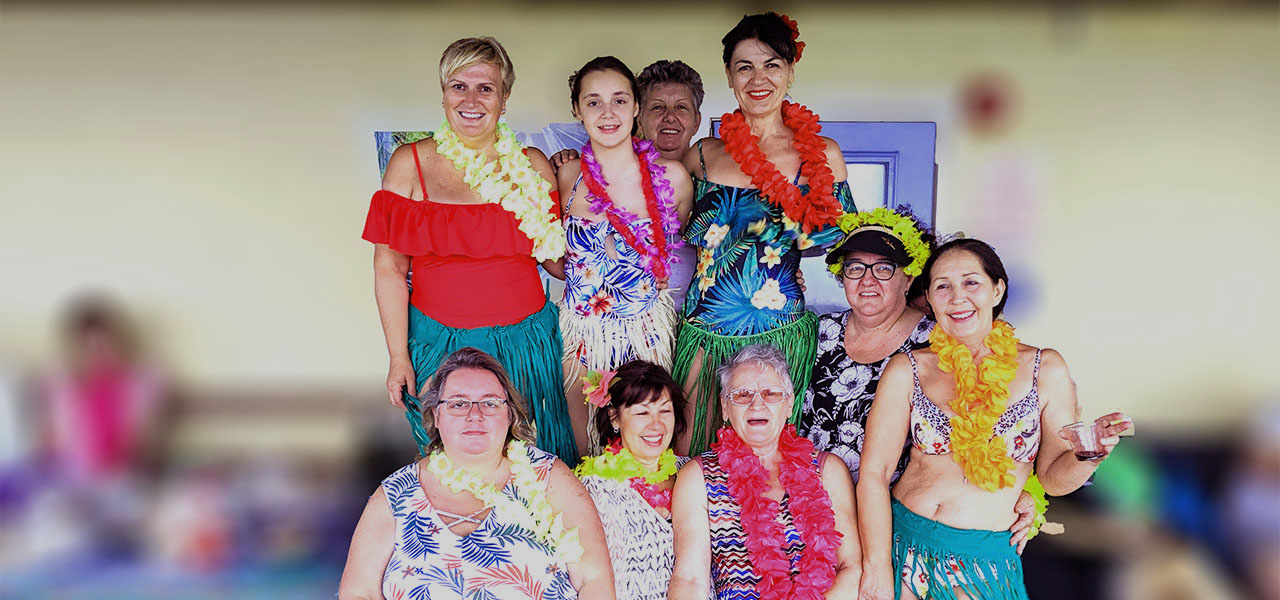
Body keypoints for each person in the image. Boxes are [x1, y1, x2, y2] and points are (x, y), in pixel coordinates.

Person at [856, 238, 1133, 600]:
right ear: (929, 296)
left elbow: (1052, 479)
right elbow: (874, 474)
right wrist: (876, 567)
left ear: (997, 288)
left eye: (971, 282)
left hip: (985, 561)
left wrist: (1089, 454)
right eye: (943, 286)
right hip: (905, 543)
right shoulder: (907, 368)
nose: (957, 298)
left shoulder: (1043, 368)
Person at [361, 37, 578, 462]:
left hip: (527, 344)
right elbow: (388, 269)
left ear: (505, 96)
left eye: (486, 88)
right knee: (458, 467)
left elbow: (556, 261)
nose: (471, 99)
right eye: (459, 86)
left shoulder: (532, 164)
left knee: (535, 464)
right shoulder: (409, 164)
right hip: (441, 346)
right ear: (443, 93)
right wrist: (397, 356)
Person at [674, 12, 858, 455]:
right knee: (690, 452)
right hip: (707, 327)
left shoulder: (823, 155)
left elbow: (842, 243)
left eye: (772, 64)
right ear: (730, 76)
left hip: (780, 329)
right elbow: (657, 220)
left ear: (791, 71)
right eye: (745, 67)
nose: (759, 79)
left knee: (773, 459)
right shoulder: (701, 154)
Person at [338, 348, 615, 600]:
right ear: (436, 415)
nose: (475, 414)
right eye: (458, 403)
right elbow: (359, 592)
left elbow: (595, 580)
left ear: (510, 414)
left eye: (490, 402)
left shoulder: (549, 476)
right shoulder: (395, 492)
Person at [555, 57, 693, 455]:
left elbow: (673, 245)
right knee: (590, 453)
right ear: (577, 110)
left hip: (646, 332)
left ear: (635, 107)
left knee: (648, 450)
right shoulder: (567, 176)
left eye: (619, 100)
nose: (608, 112)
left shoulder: (672, 178)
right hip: (582, 335)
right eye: (594, 102)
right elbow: (552, 258)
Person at [669, 344, 861, 599]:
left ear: (790, 404)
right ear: (725, 408)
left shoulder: (828, 471)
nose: (756, 404)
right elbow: (690, 578)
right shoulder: (698, 477)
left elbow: (850, 567)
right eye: (742, 394)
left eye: (771, 393)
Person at [574, 361, 690, 600]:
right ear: (615, 418)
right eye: (642, 412)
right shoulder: (590, 489)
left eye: (664, 410)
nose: (656, 424)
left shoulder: (692, 472)